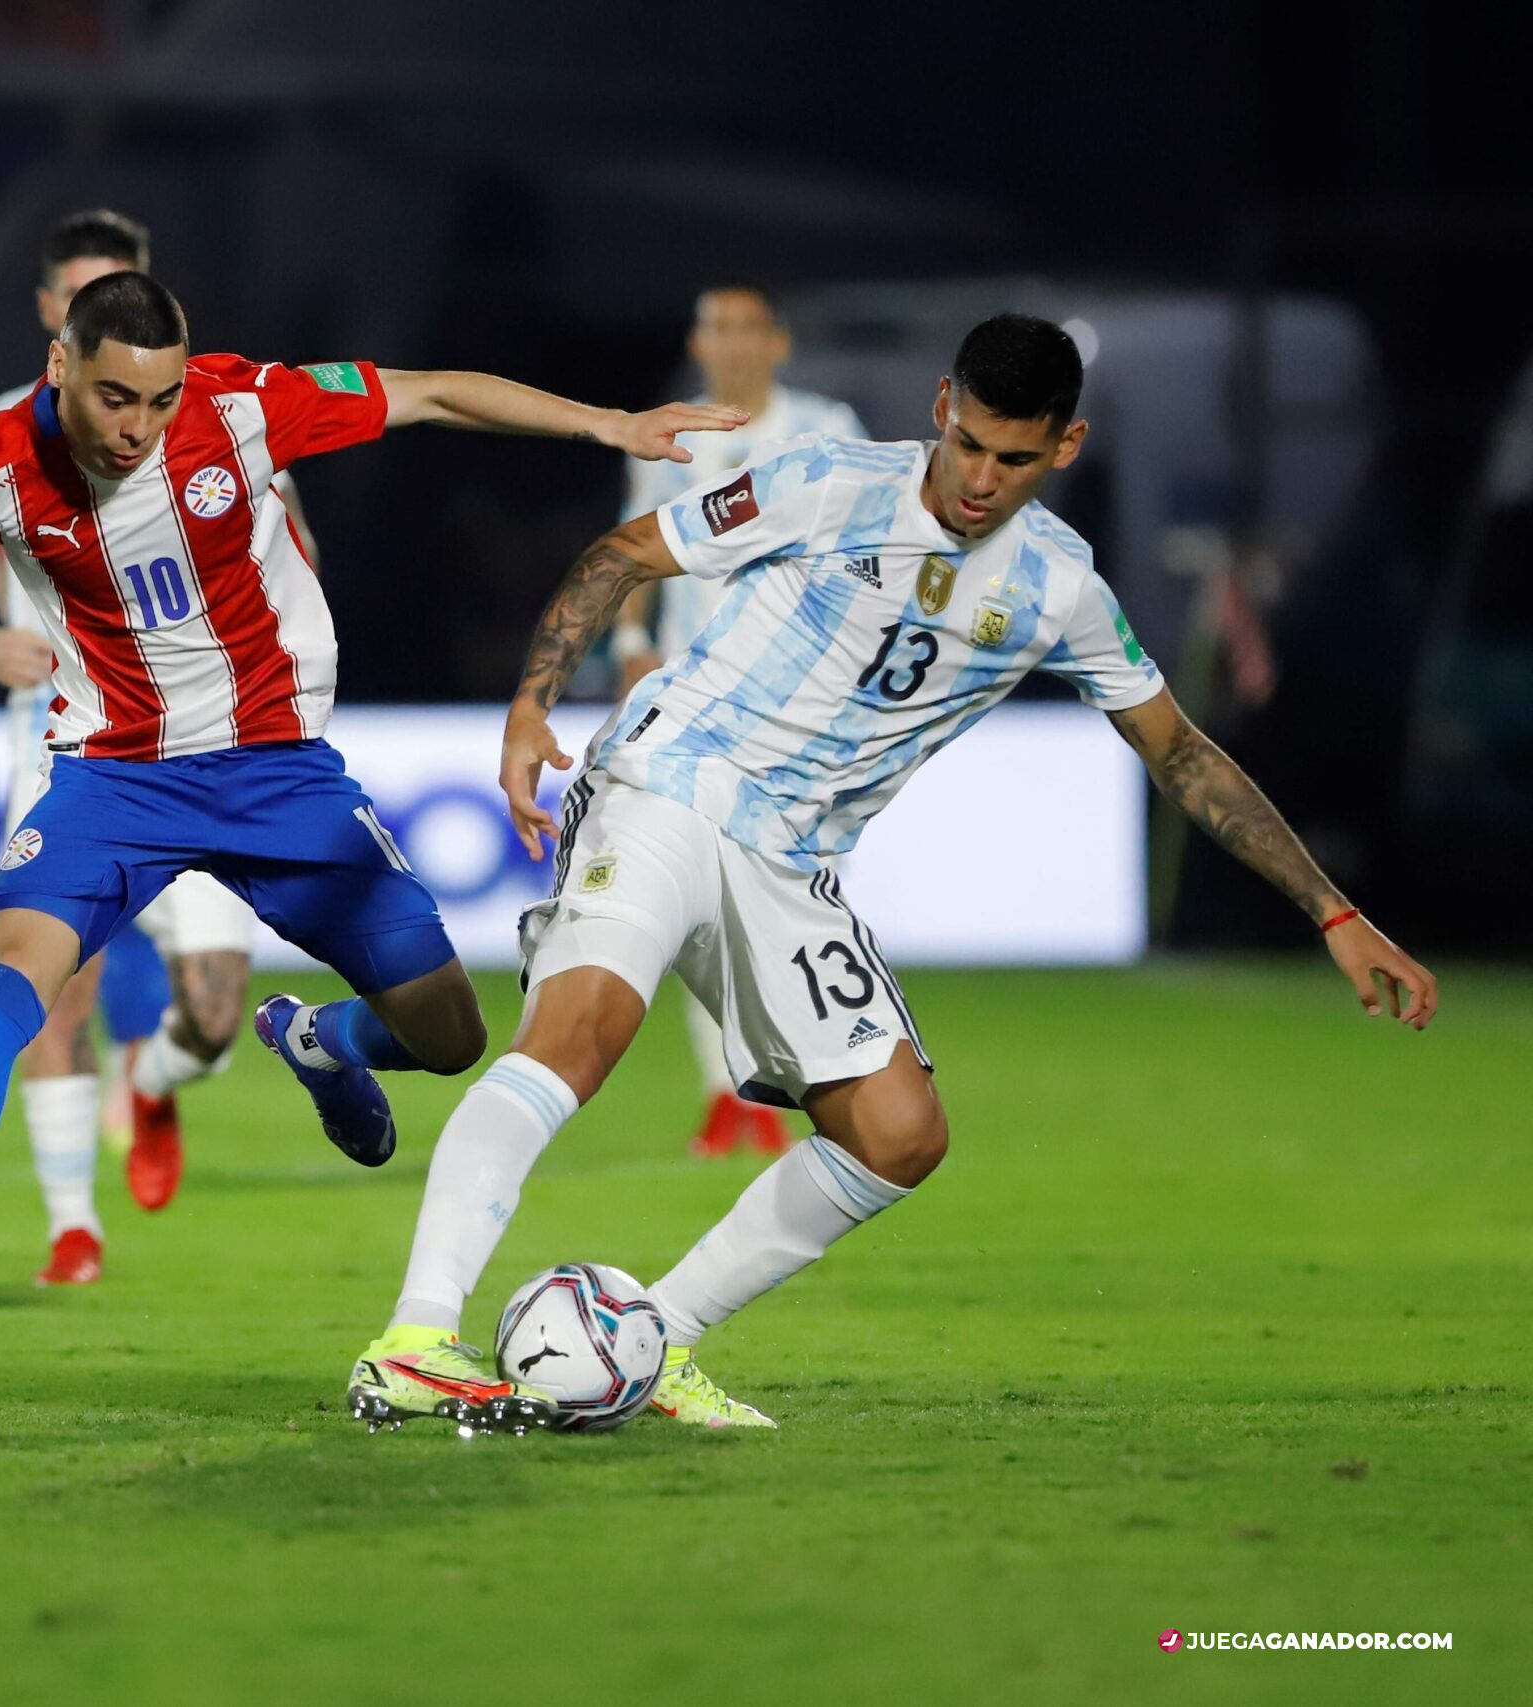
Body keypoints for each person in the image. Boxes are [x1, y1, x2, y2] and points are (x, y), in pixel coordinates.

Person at [346, 314, 1438, 1432]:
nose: (978, 479)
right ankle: (416, 1339)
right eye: (967, 443)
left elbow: (1180, 752)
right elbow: (626, 554)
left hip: (792, 861)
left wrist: (1333, 911)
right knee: (577, 1038)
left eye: (1013, 459)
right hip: (673, 778)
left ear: (1066, 448)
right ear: (939, 408)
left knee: (899, 1134)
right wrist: (533, 705)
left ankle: (651, 1343)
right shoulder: (826, 484)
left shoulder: (1060, 590)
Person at [0, 270, 746, 1341]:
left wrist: (606, 424)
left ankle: (324, 1041)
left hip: (277, 774)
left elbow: (431, 394)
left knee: (454, 1037)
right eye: (112, 399)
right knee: (14, 975)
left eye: (159, 398)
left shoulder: (238, 409)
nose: (138, 428)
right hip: (111, 776)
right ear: (59, 369)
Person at [0, 210, 301, 1286]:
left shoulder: (218, 415)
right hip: (67, 758)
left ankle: (157, 1081)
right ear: (49, 319)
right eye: (86, 293)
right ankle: (73, 1228)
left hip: (205, 753)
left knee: (215, 1013)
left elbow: (285, 557)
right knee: (50, 990)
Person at [610, 284, 867, 1160]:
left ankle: (786, 1079)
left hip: (803, 700)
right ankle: (737, 1093)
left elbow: (875, 541)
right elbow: (636, 546)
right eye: (716, 327)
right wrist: (633, 642)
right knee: (697, 891)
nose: (732, 342)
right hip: (698, 697)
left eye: (747, 326)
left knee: (782, 891)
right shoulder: (671, 436)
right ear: (698, 341)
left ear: (778, 341)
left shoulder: (826, 427)